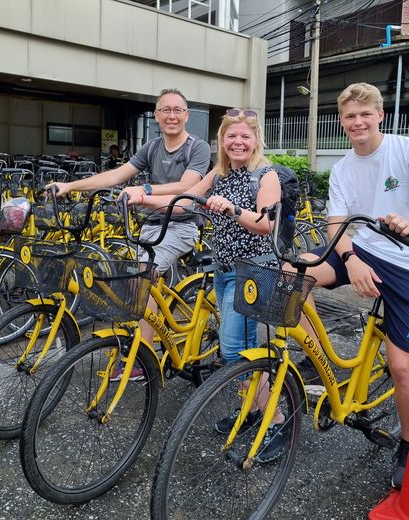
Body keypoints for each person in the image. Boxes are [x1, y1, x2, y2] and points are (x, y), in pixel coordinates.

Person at [294, 83, 409, 488]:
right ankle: (315, 358)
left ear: (380, 115)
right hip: (361, 251)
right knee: (292, 276)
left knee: (400, 365)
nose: (357, 122)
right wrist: (352, 258)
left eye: (365, 114)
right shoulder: (342, 168)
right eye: (349, 116)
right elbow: (335, 226)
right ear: (342, 121)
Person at [128, 108, 288, 462]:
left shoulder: (267, 175)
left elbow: (264, 225)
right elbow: (184, 200)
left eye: (245, 136)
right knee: (237, 351)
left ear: (256, 140)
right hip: (225, 270)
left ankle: (276, 419)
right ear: (222, 141)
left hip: (254, 273)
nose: (238, 142)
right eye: (231, 136)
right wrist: (141, 197)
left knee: (235, 351)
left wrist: (230, 209)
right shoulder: (219, 173)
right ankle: (251, 408)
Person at [47, 88, 211, 366]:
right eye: (165, 110)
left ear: (186, 115)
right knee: (136, 283)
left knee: (143, 280)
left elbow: (186, 186)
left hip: (182, 225)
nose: (171, 115)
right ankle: (148, 332)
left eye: (177, 110)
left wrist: (144, 190)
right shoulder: (152, 147)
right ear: (156, 116)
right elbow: (115, 175)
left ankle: (142, 359)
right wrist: (70, 186)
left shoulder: (198, 147)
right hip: (151, 225)